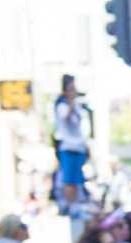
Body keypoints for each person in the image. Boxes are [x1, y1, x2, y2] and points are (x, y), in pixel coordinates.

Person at [54, 75, 90, 214]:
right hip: (67, 147)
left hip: (78, 147)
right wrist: (70, 101)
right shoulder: (61, 105)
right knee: (69, 179)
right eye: (71, 88)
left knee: (76, 179)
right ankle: (71, 206)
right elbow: (66, 117)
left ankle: (76, 204)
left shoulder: (77, 105)